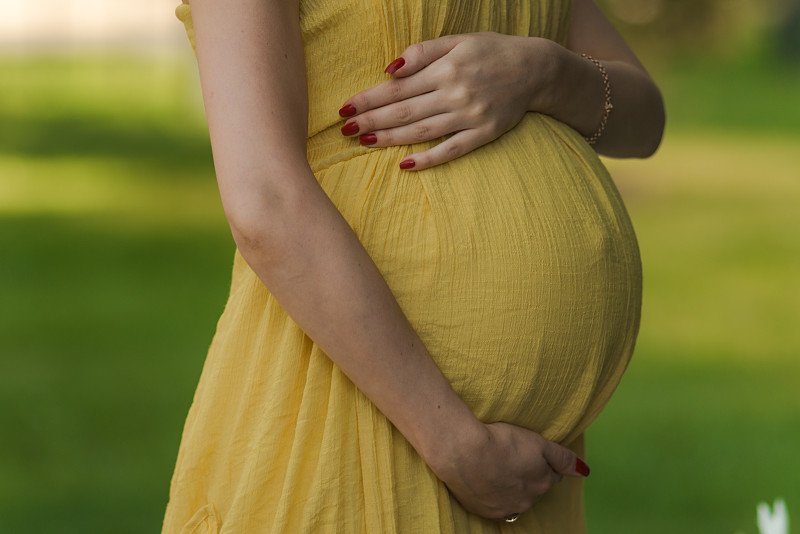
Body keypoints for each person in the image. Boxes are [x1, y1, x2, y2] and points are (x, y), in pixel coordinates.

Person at [163, 0, 664, 532]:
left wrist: (546, 73)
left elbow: (645, 119)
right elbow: (264, 199)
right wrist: (453, 443)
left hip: (524, 475)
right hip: (358, 416)